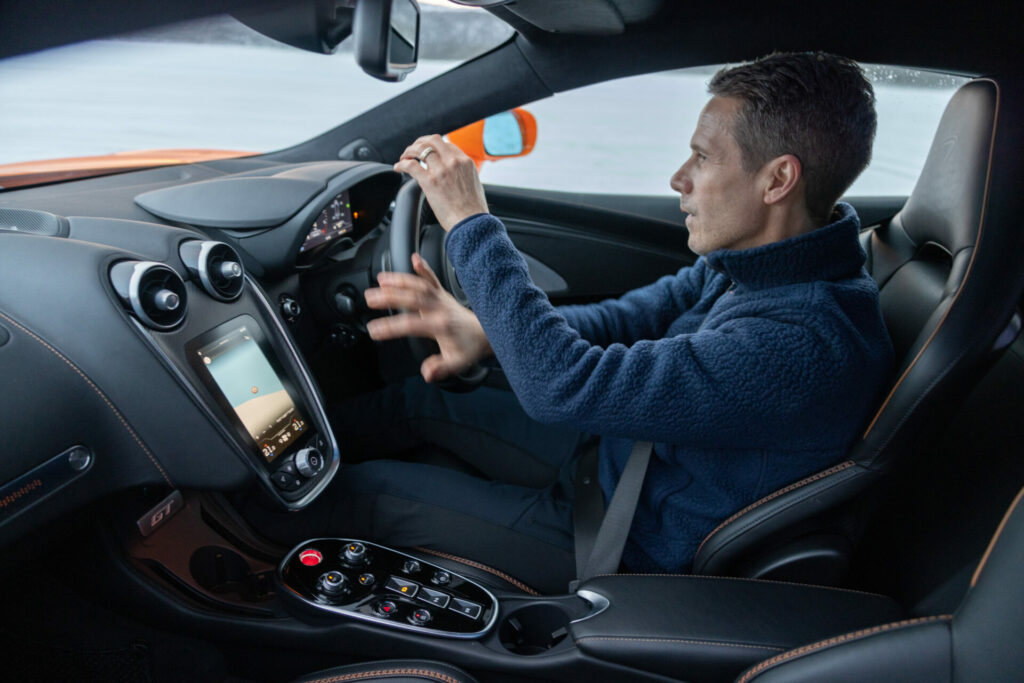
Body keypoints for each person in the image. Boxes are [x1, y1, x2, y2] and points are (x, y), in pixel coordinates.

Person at [290, 52, 894, 594]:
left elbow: (561, 386)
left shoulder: (801, 341)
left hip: (617, 537)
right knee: (412, 401)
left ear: (778, 180)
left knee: (365, 494)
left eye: (703, 158)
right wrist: (484, 331)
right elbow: (624, 320)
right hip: (617, 458)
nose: (679, 179)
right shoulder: (762, 263)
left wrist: (471, 223)